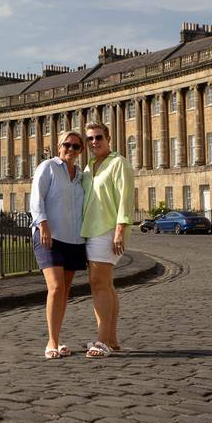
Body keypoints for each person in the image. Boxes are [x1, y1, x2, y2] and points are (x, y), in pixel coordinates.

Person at [29, 130, 87, 359]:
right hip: (48, 236)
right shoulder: (48, 167)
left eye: (75, 146)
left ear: (81, 150)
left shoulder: (81, 176)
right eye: (67, 145)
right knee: (55, 287)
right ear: (58, 145)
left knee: (64, 291)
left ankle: (57, 337)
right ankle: (51, 342)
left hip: (73, 239)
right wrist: (42, 224)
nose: (70, 150)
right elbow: (36, 197)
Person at [81, 121, 134, 358]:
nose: (94, 142)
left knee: (98, 283)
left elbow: (126, 198)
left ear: (108, 138)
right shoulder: (89, 166)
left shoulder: (118, 163)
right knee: (106, 286)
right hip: (91, 231)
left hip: (108, 230)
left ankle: (101, 340)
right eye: (90, 138)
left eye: (98, 137)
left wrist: (120, 230)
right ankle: (111, 339)